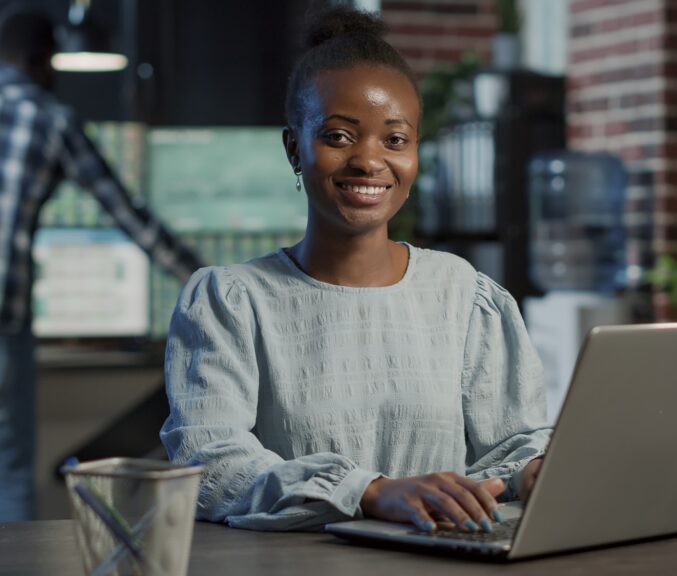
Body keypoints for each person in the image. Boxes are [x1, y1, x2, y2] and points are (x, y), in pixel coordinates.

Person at [160, 6, 549, 533]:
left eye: (395, 140)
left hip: (442, 564)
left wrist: (534, 473)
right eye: (339, 137)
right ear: (294, 147)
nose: (369, 161)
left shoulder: (464, 294)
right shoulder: (231, 301)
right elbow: (209, 467)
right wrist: (368, 492)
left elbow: (512, 448)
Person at [0, 8, 203, 523]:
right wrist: (205, 279)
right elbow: (129, 217)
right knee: (7, 472)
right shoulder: (52, 119)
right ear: (45, 64)